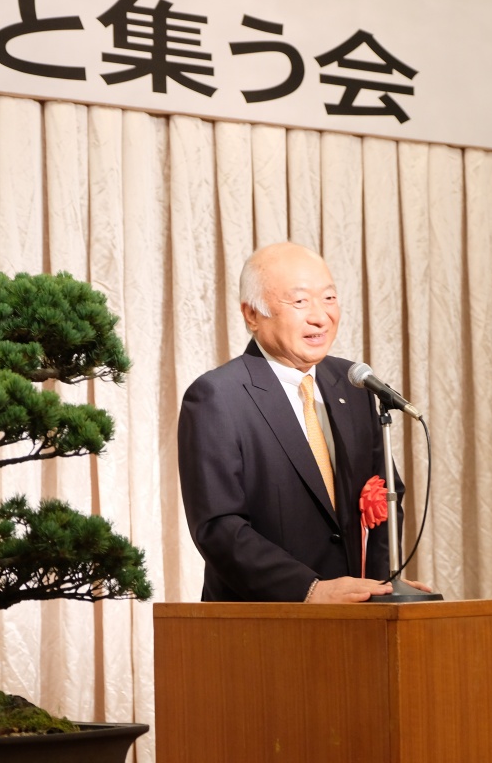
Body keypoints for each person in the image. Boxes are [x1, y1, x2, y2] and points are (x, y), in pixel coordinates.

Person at [178, 242, 415, 603]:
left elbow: (385, 495)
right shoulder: (217, 397)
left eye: (329, 298)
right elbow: (219, 527)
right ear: (252, 314)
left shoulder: (353, 384)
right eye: (300, 302)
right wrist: (310, 590)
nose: (320, 317)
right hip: (260, 623)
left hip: (354, 622)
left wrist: (381, 588)